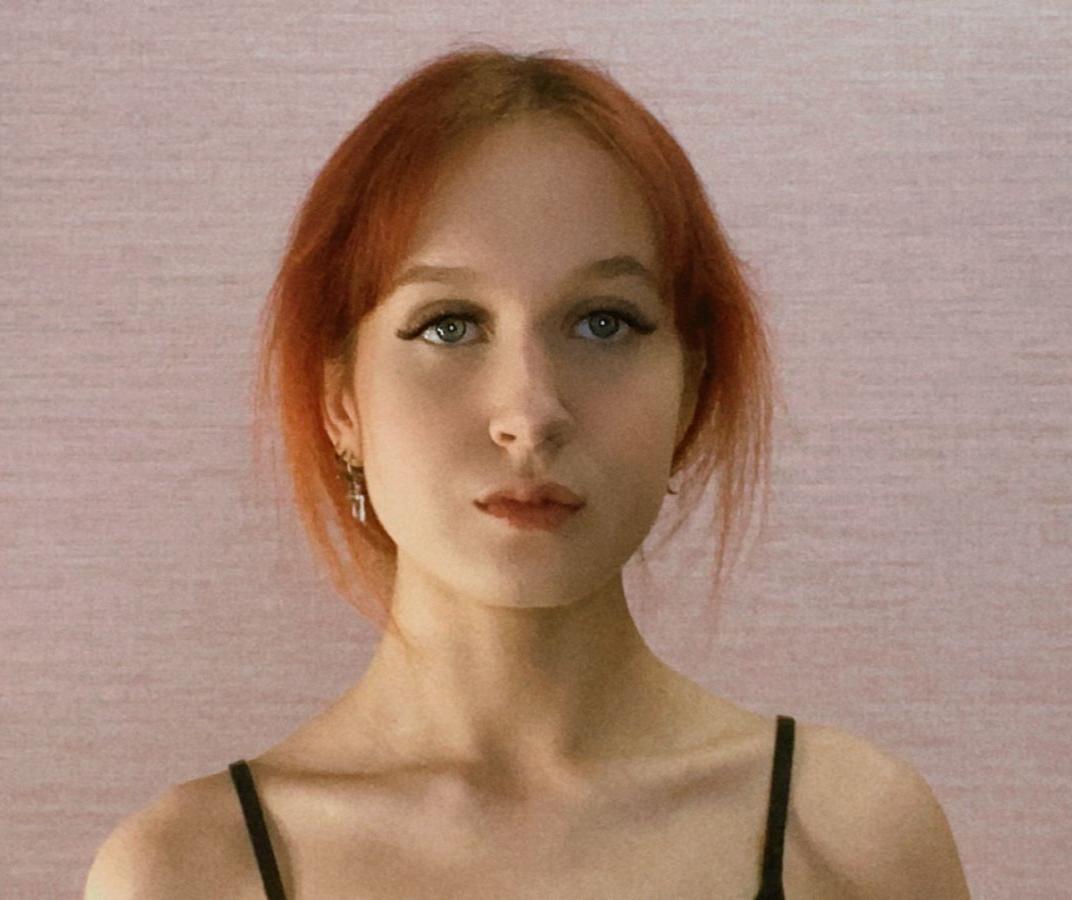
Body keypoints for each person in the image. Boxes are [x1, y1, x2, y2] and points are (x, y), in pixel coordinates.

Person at [84, 45, 971, 899]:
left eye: (604, 323)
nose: (531, 412)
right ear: (341, 401)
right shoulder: (187, 874)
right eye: (449, 325)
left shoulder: (851, 837)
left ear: (691, 391)